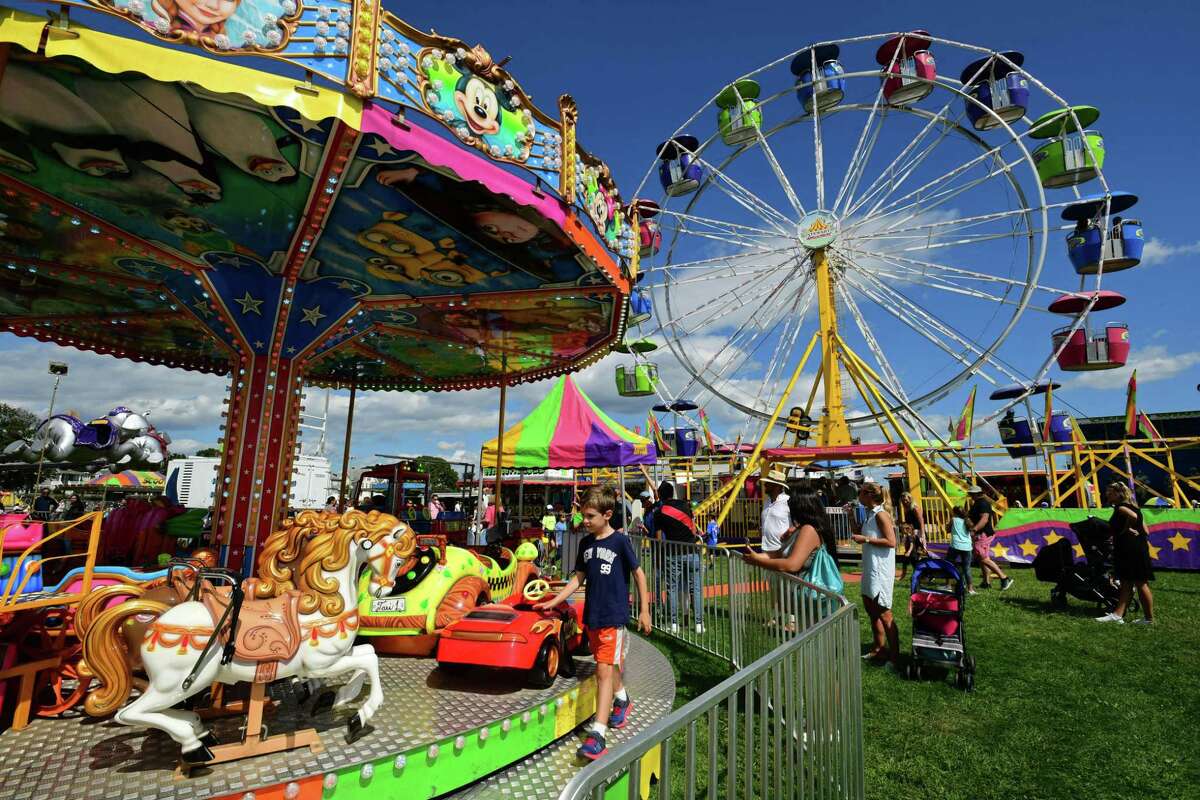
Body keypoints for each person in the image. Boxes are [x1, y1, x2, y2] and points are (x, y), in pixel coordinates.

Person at [535, 485, 651, 761]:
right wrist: (554, 600)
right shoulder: (586, 544)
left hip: (613, 616)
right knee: (607, 664)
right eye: (582, 515)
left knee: (602, 672)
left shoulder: (620, 542)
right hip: (593, 617)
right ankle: (622, 699)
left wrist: (644, 610)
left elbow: (639, 575)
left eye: (589, 516)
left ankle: (597, 734)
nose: (583, 521)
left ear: (607, 514)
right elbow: (578, 578)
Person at [744, 489, 843, 601]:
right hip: (801, 597)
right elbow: (779, 554)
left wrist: (757, 561)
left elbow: (791, 564)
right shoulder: (801, 529)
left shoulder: (808, 530)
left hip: (809, 598)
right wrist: (754, 556)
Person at [849, 481, 899, 671]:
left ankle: (894, 658)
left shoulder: (881, 515)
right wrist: (849, 516)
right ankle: (879, 648)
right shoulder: (871, 514)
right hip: (871, 568)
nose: (858, 495)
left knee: (885, 614)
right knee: (871, 610)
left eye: (860, 492)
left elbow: (891, 542)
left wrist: (867, 539)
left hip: (880, 571)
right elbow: (859, 534)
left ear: (869, 494)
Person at [1096, 482, 1155, 625]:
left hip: (1130, 549)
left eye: (1110, 492)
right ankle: (1118, 615)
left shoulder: (1121, 508)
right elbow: (1145, 531)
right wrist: (1131, 528)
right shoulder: (1134, 507)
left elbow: (1134, 517)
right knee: (1126, 583)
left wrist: (1126, 528)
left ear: (1118, 494)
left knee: (1140, 583)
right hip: (1134, 547)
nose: (1107, 495)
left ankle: (1149, 619)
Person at [654, 481, 703, 634]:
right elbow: (693, 526)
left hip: (673, 553)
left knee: (672, 589)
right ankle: (699, 624)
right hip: (692, 551)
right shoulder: (685, 506)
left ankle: (673, 623)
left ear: (659, 495)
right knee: (696, 589)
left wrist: (661, 552)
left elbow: (659, 537)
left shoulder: (659, 511)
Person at [968, 485, 1012, 591]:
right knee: (982, 558)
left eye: (971, 494)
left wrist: (974, 529)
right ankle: (986, 582)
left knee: (983, 558)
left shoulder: (982, 503)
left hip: (983, 534)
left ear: (977, 494)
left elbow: (984, 519)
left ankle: (1004, 578)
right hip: (983, 533)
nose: (970, 495)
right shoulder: (979, 503)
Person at [759, 470, 792, 557]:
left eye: (768, 483)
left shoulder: (788, 501)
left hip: (782, 549)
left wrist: (790, 531)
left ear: (777, 486)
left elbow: (799, 524)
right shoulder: (767, 501)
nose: (765, 485)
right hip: (766, 548)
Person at [946, 505, 974, 595]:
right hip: (967, 546)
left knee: (948, 565)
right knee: (967, 568)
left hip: (955, 545)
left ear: (955, 512)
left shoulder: (953, 520)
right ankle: (970, 589)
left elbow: (947, 530)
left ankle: (948, 585)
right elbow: (971, 531)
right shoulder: (968, 520)